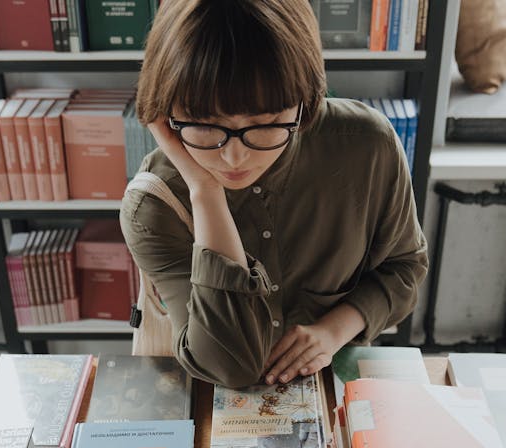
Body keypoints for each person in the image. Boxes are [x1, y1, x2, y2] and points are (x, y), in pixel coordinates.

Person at [123, 0, 428, 389]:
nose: (234, 156)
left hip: (334, 386)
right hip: (203, 411)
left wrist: (333, 331)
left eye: (265, 123)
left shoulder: (368, 147)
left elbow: (404, 268)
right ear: (164, 113)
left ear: (304, 101)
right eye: (206, 124)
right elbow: (229, 366)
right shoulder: (154, 204)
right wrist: (206, 192)